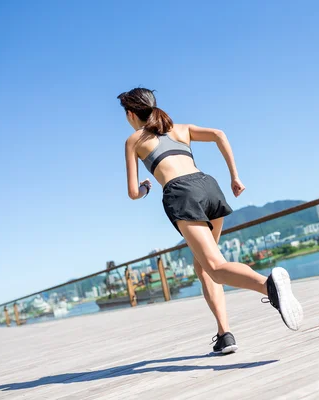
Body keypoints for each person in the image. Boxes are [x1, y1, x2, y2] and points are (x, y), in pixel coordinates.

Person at [119, 88, 303, 354]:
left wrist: (146, 188)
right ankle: (224, 334)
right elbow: (219, 134)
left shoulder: (134, 140)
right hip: (208, 186)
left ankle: (269, 286)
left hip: (182, 193)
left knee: (215, 266)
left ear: (130, 113)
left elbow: (133, 193)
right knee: (204, 265)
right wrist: (235, 177)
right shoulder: (180, 129)